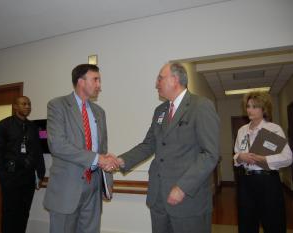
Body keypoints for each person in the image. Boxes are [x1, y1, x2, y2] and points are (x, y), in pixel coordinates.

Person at [116, 62, 220, 233]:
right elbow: (149, 144)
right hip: (159, 199)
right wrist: (120, 160)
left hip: (187, 200)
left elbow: (209, 154)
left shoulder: (201, 106)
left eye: (160, 78)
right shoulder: (160, 111)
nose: (156, 84)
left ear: (175, 79)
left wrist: (182, 187)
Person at [43, 64, 118, 233]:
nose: (99, 85)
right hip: (66, 188)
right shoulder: (57, 105)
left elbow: (103, 150)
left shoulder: (100, 112)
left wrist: (108, 182)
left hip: (94, 188)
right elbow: (57, 145)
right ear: (81, 81)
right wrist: (97, 159)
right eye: (95, 80)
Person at [233, 91, 292, 233]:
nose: (249, 110)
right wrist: (240, 157)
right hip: (246, 182)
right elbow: (236, 154)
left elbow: (288, 157)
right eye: (248, 106)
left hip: (268, 182)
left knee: (273, 222)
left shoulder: (273, 129)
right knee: (247, 223)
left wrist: (264, 159)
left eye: (254, 106)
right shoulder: (242, 130)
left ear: (263, 109)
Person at [0, 96, 46, 233]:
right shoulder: (3, 126)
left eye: (29, 104)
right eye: (23, 104)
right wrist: (2, 175)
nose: (27, 106)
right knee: (9, 213)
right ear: (15, 106)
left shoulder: (33, 128)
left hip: (28, 178)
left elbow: (38, 152)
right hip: (10, 177)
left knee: (24, 212)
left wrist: (40, 173)